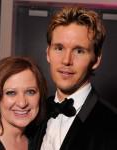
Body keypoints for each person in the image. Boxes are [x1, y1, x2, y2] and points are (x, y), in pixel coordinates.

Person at [32, 5, 117, 150]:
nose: (66, 60)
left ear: (96, 60)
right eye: (59, 48)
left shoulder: (112, 125)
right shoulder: (33, 113)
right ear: (48, 53)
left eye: (79, 51)